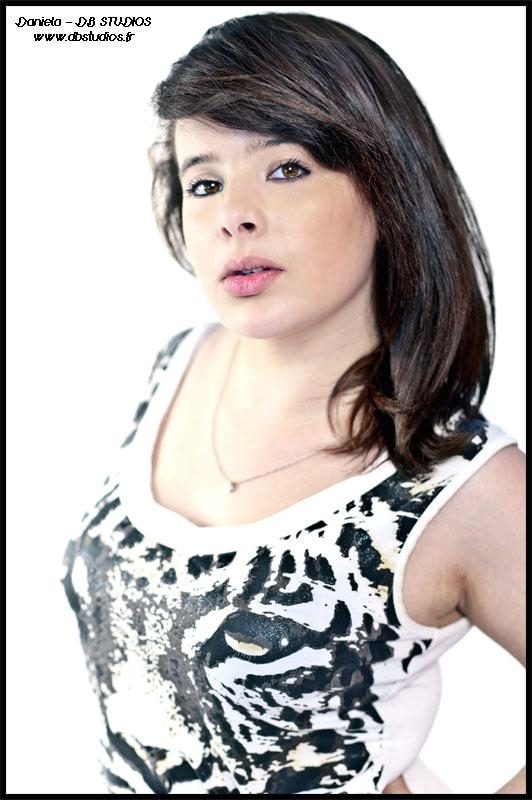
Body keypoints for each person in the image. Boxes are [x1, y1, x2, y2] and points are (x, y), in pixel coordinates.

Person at [61, 11, 525, 795]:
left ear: (386, 187)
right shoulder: (175, 365)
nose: (232, 214)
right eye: (204, 182)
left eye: (285, 169)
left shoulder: (455, 482)